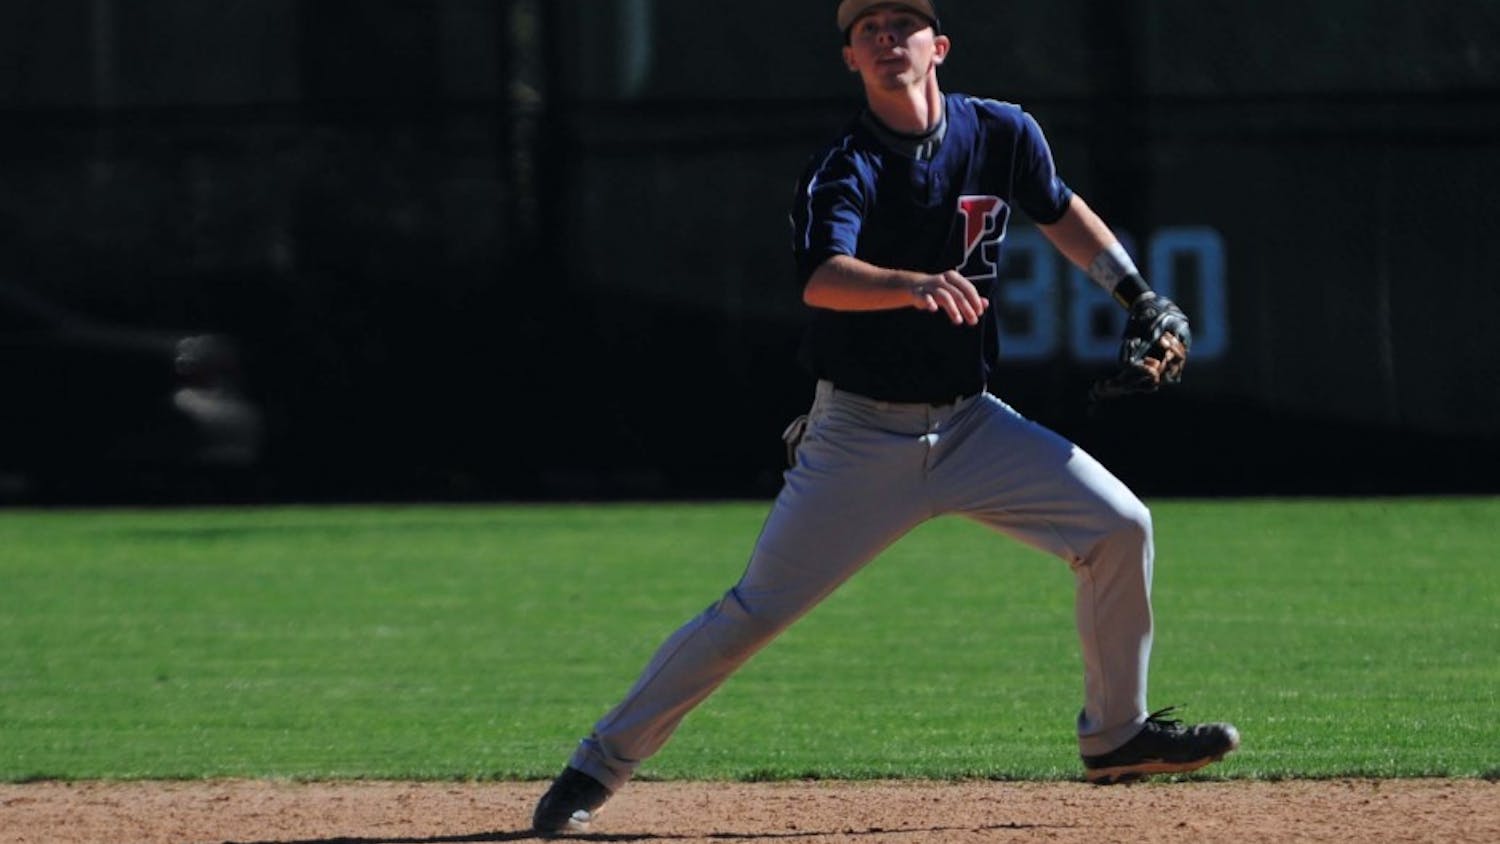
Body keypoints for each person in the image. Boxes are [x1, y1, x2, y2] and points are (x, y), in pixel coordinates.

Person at [532, 0, 1237, 834]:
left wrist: (1139, 295)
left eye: (901, 22)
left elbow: (1058, 209)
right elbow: (823, 276)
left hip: (974, 424)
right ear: (851, 61)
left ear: (938, 46)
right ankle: (593, 769)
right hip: (859, 436)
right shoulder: (848, 163)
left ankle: (1116, 734)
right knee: (753, 613)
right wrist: (910, 283)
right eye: (866, 28)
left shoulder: (1003, 132)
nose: (883, 36)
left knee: (1119, 527)